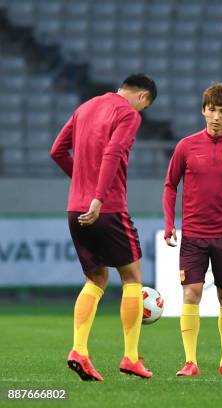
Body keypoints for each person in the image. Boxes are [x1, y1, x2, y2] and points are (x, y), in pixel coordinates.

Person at [50, 73, 157, 381]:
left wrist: (82, 185)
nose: (141, 112)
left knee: (96, 279)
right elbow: (114, 152)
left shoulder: (84, 108)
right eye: (145, 106)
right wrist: (98, 196)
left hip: (75, 207)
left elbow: (56, 151)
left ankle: (79, 350)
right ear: (141, 97)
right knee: (133, 277)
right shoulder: (127, 113)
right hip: (106, 208)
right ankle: (131, 357)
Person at [163, 83, 222, 377]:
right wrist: (169, 224)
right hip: (193, 235)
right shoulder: (186, 146)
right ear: (203, 110)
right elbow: (170, 185)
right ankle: (190, 361)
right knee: (191, 294)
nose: (216, 116)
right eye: (212, 110)